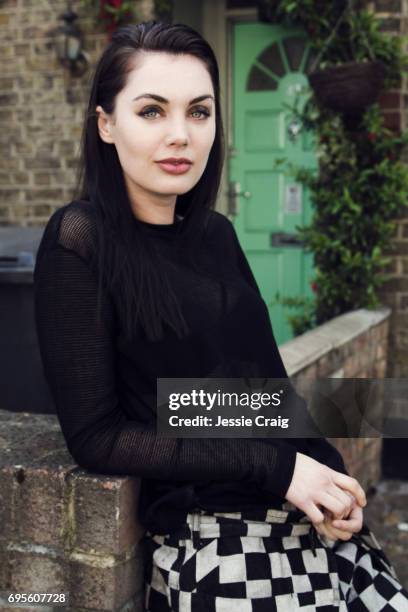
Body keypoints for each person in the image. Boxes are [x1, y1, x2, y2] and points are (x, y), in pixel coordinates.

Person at [33, 20, 408, 611]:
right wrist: (280, 469)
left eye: (199, 112)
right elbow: (97, 435)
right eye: (152, 111)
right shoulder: (79, 241)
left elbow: (261, 390)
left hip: (301, 518)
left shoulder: (216, 234)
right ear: (106, 124)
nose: (180, 135)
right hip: (215, 543)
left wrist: (327, 480)